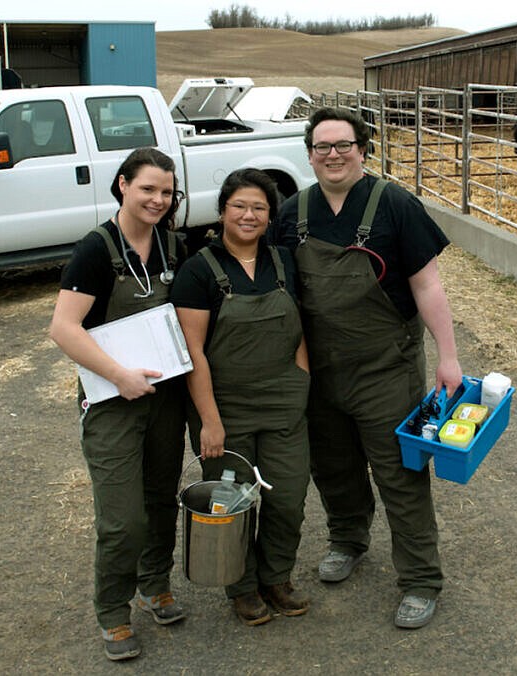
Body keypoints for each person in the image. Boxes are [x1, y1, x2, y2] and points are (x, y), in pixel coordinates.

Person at [270, 108, 463, 630]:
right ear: (309, 153)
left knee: (400, 474)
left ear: (363, 148)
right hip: (320, 369)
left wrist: (448, 356)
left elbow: (428, 287)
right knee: (332, 467)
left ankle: (421, 579)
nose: (333, 154)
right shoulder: (292, 212)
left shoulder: (395, 204)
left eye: (344, 144)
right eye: (322, 146)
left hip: (384, 369)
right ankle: (348, 540)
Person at [49, 147, 188, 661]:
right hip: (112, 400)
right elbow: (63, 328)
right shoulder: (96, 249)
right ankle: (113, 611)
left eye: (166, 192)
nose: (157, 199)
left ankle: (155, 585)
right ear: (123, 185)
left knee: (159, 499)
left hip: (166, 398)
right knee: (121, 517)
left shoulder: (175, 246)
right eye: (147, 188)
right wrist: (117, 375)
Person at [170, 168, 311, 626]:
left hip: (284, 403)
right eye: (239, 206)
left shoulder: (284, 261)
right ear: (223, 210)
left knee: (288, 498)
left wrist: (301, 380)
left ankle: (276, 577)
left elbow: (299, 329)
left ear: (271, 216)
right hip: (226, 409)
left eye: (259, 208)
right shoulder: (199, 270)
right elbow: (193, 352)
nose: (248, 215)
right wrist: (209, 420)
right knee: (232, 500)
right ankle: (243, 587)